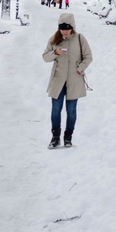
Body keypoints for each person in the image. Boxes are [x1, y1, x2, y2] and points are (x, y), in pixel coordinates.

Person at [42, 13, 93, 149]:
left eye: (67, 28)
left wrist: (80, 69)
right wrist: (55, 53)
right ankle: (55, 138)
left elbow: (88, 57)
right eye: (62, 28)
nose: (64, 31)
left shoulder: (80, 39)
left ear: (72, 27)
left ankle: (68, 137)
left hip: (74, 80)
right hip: (58, 80)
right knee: (55, 109)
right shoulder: (54, 40)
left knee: (71, 111)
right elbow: (45, 57)